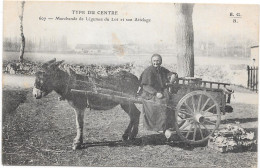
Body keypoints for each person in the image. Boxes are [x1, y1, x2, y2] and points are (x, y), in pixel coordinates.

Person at [139, 53, 178, 139]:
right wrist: (155, 93)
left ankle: (168, 125)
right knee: (161, 103)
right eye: (154, 61)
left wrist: (172, 75)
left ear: (160, 61)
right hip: (149, 93)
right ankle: (160, 127)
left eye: (157, 61)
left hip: (160, 92)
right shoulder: (148, 71)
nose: (156, 63)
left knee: (169, 102)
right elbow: (145, 86)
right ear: (151, 61)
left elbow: (169, 73)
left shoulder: (162, 69)